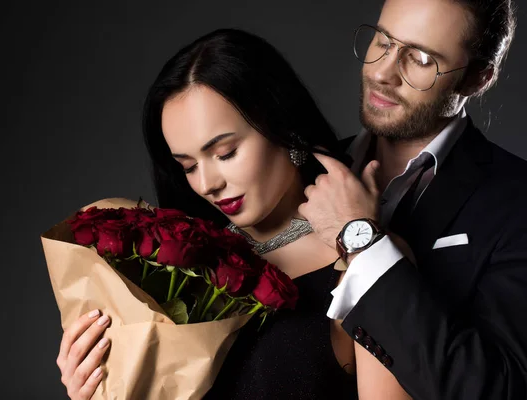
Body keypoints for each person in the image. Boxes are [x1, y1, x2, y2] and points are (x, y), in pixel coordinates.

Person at [55, 28, 413, 399]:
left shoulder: (366, 262)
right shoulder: (173, 265)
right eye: (188, 166)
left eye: (225, 153)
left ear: (285, 127)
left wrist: (363, 243)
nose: (207, 183)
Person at [300, 0, 526, 399]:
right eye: (382, 41)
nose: (383, 73)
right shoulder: (305, 171)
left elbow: (495, 388)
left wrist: (361, 239)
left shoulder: (517, 201)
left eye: (420, 59)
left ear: (477, 79)